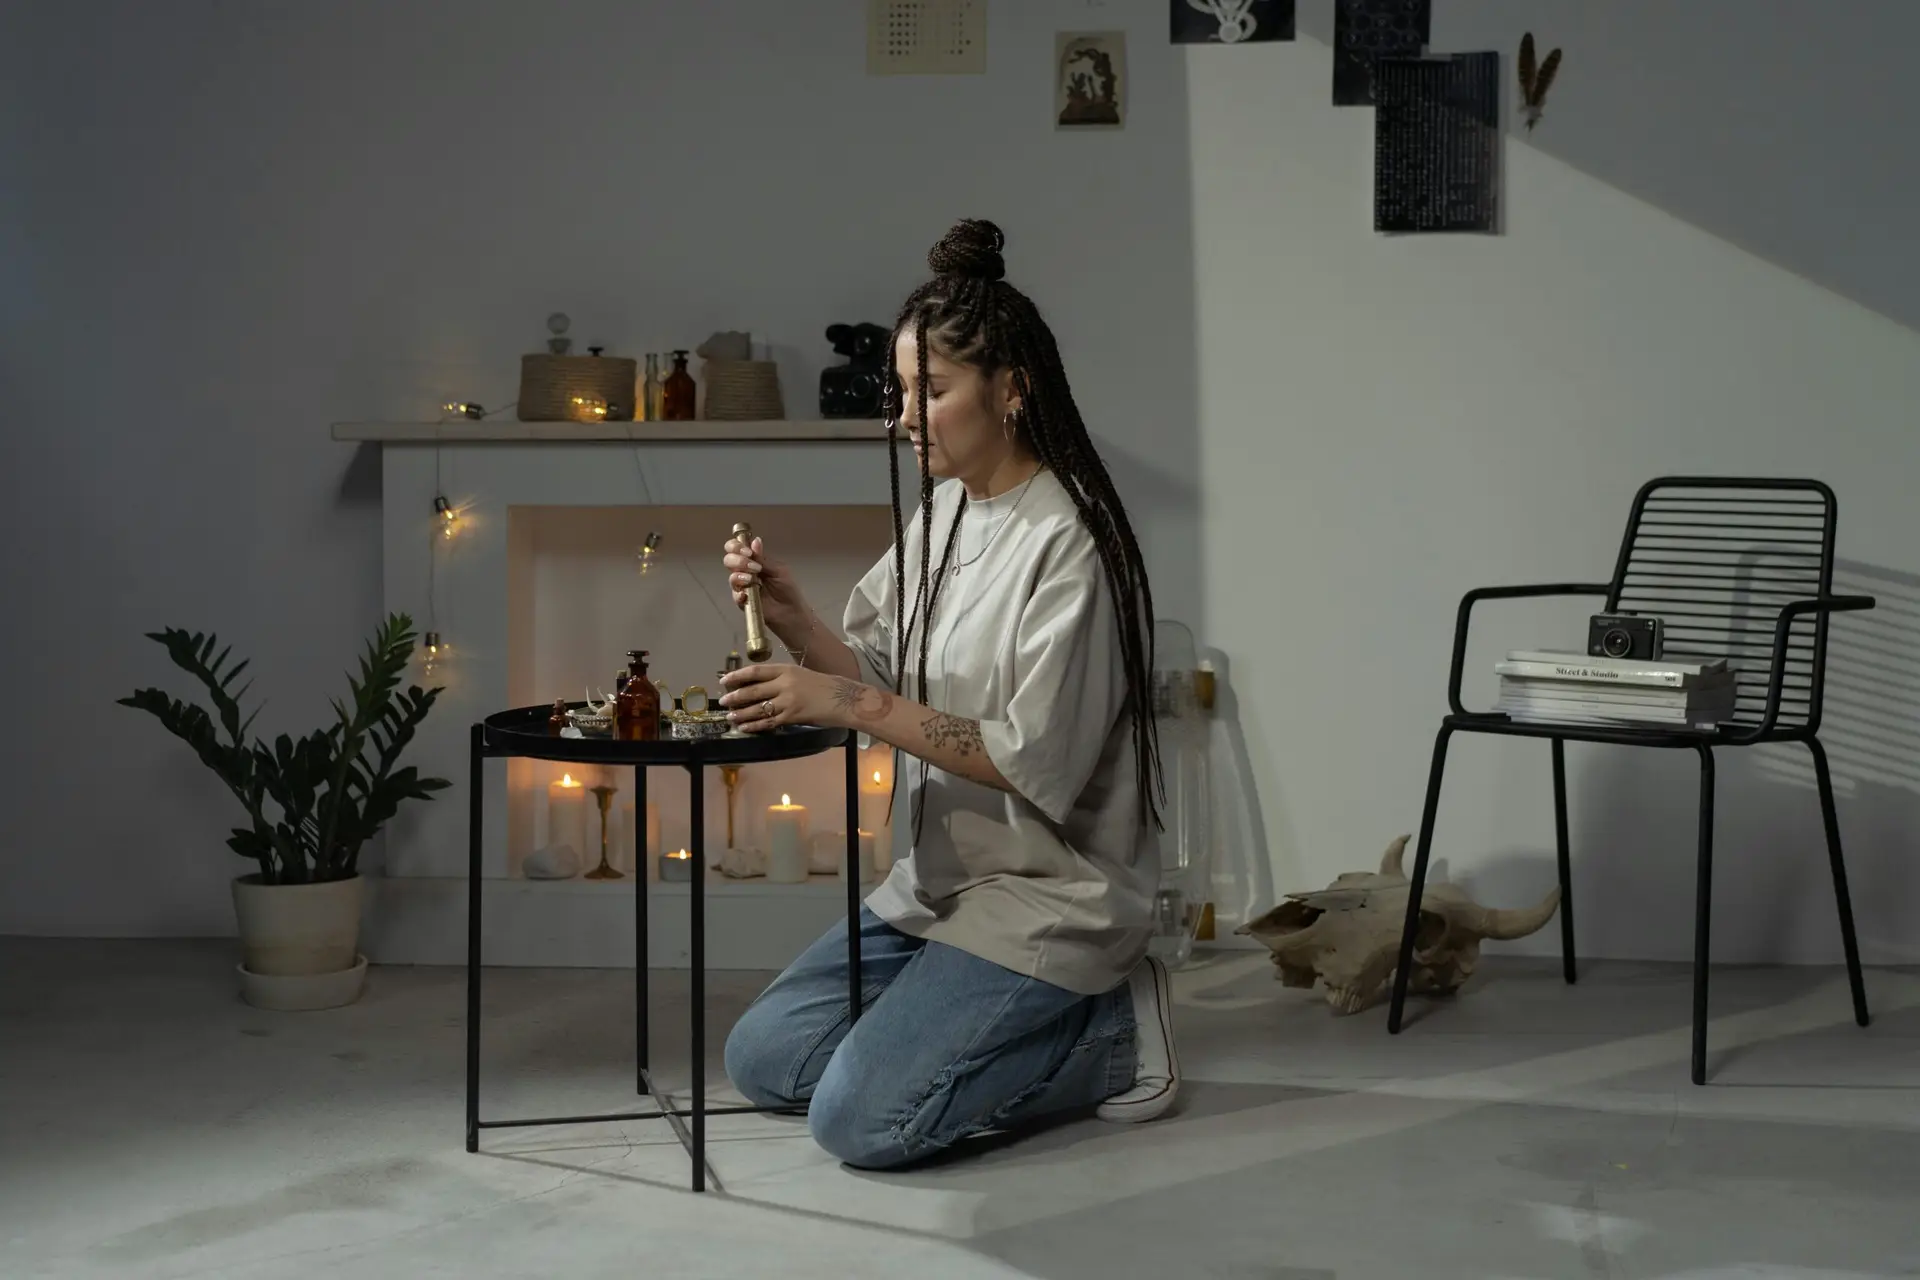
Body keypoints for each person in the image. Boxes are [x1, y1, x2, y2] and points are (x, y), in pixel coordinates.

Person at [713, 218, 1176, 1171]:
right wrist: (795, 615)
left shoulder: (1073, 542)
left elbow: (1025, 757)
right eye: (902, 390)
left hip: (1048, 892)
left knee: (859, 1123)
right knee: (763, 1059)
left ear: (1011, 390)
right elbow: (883, 683)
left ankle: (1117, 1034)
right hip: (935, 886)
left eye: (933, 389)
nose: (906, 415)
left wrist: (836, 702)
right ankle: (958, 1018)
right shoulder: (949, 509)